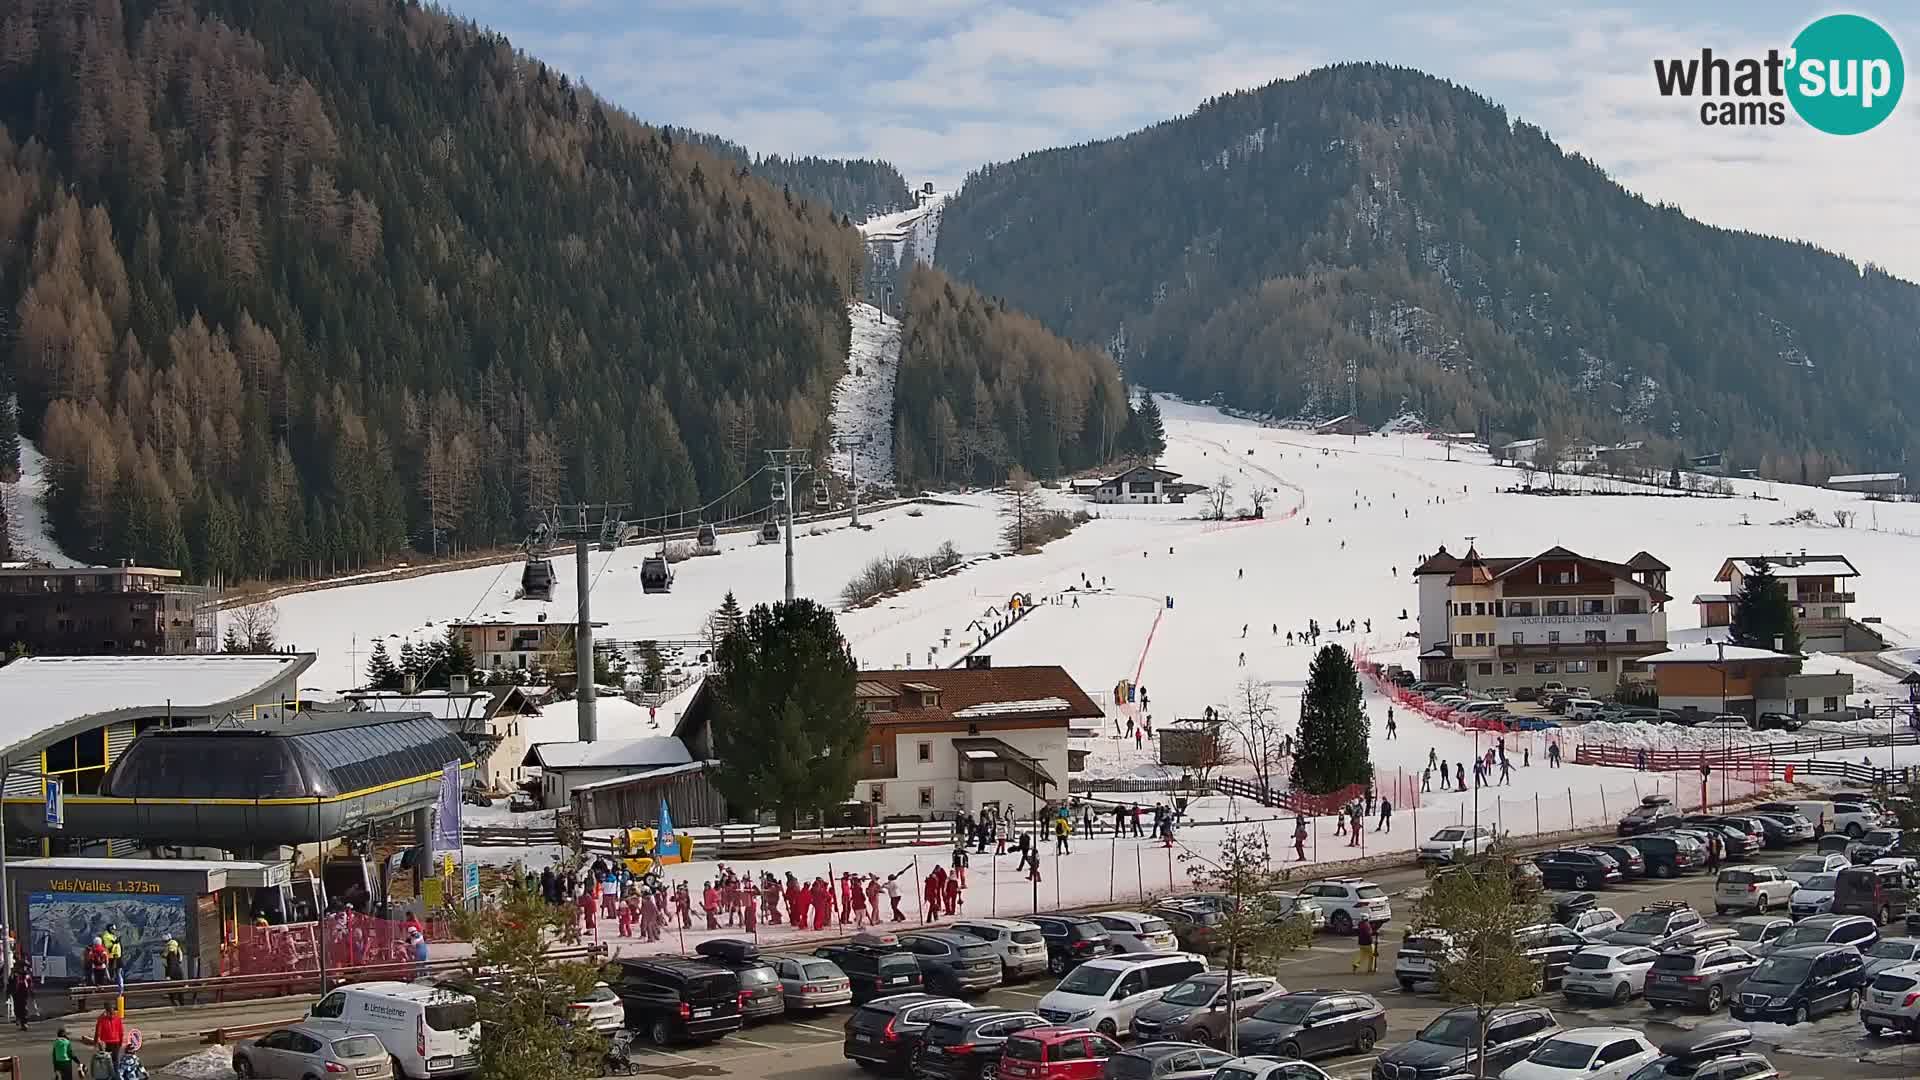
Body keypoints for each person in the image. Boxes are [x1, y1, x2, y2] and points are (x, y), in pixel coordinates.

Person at [92, 1004, 123, 1072]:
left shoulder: (102, 1019)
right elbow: (121, 1032)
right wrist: (120, 1042)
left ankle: (110, 1074)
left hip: (107, 1043)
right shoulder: (117, 1018)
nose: (111, 1015)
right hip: (115, 1042)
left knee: (107, 1061)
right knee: (115, 1061)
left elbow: (98, 1031)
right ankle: (116, 1074)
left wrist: (96, 1041)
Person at [163, 939, 187, 1006]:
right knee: (179, 994)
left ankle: (178, 1006)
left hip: (173, 975)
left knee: (173, 993)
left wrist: (168, 975)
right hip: (178, 974)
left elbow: (171, 965)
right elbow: (179, 960)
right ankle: (181, 1006)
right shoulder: (177, 951)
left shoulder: (170, 954)